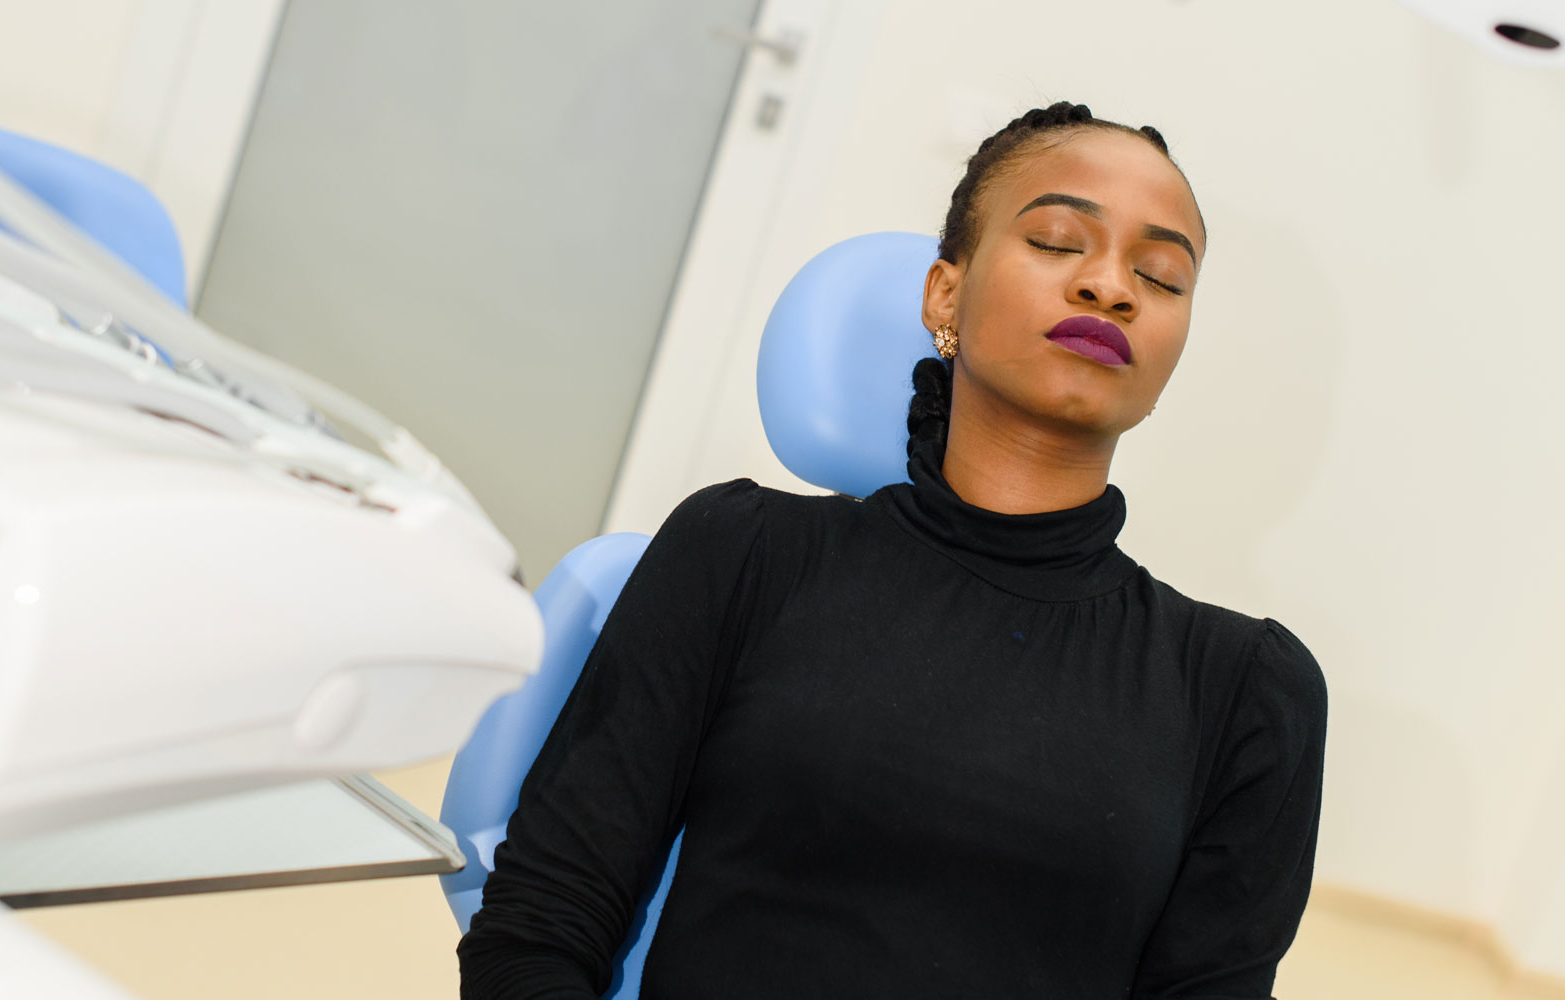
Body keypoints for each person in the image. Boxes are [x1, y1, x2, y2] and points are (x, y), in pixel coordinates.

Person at [457, 102, 1328, 999]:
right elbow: (540, 922)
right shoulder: (743, 553)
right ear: (944, 293)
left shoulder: (1245, 691)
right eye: (1061, 241)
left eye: (1160, 275)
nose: (1112, 287)